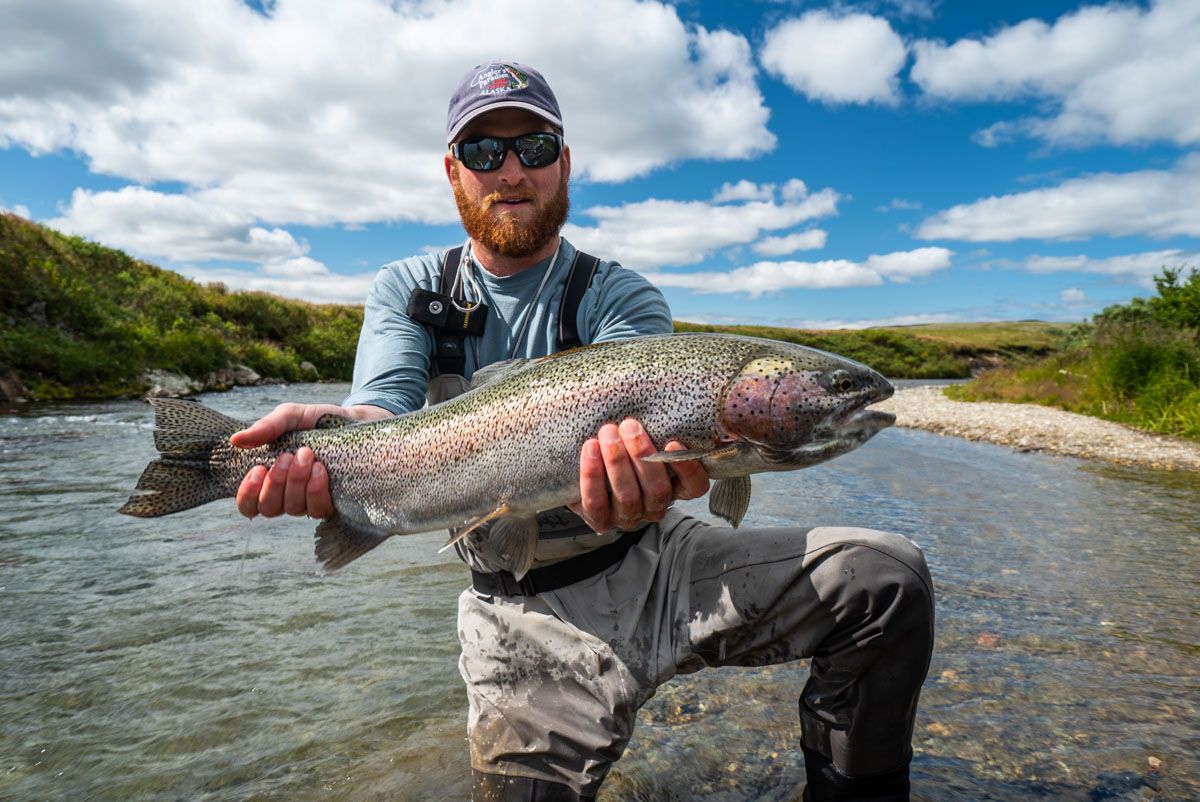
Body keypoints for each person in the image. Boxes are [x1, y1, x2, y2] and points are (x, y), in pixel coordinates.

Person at [230, 62, 935, 802]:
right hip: (517, 611)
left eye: (533, 148)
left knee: (886, 579)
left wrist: (653, 483)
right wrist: (330, 440)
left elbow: (653, 436)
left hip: (658, 564)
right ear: (453, 171)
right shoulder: (411, 291)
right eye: (483, 151)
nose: (510, 170)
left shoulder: (619, 294)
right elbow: (381, 412)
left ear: (563, 163)